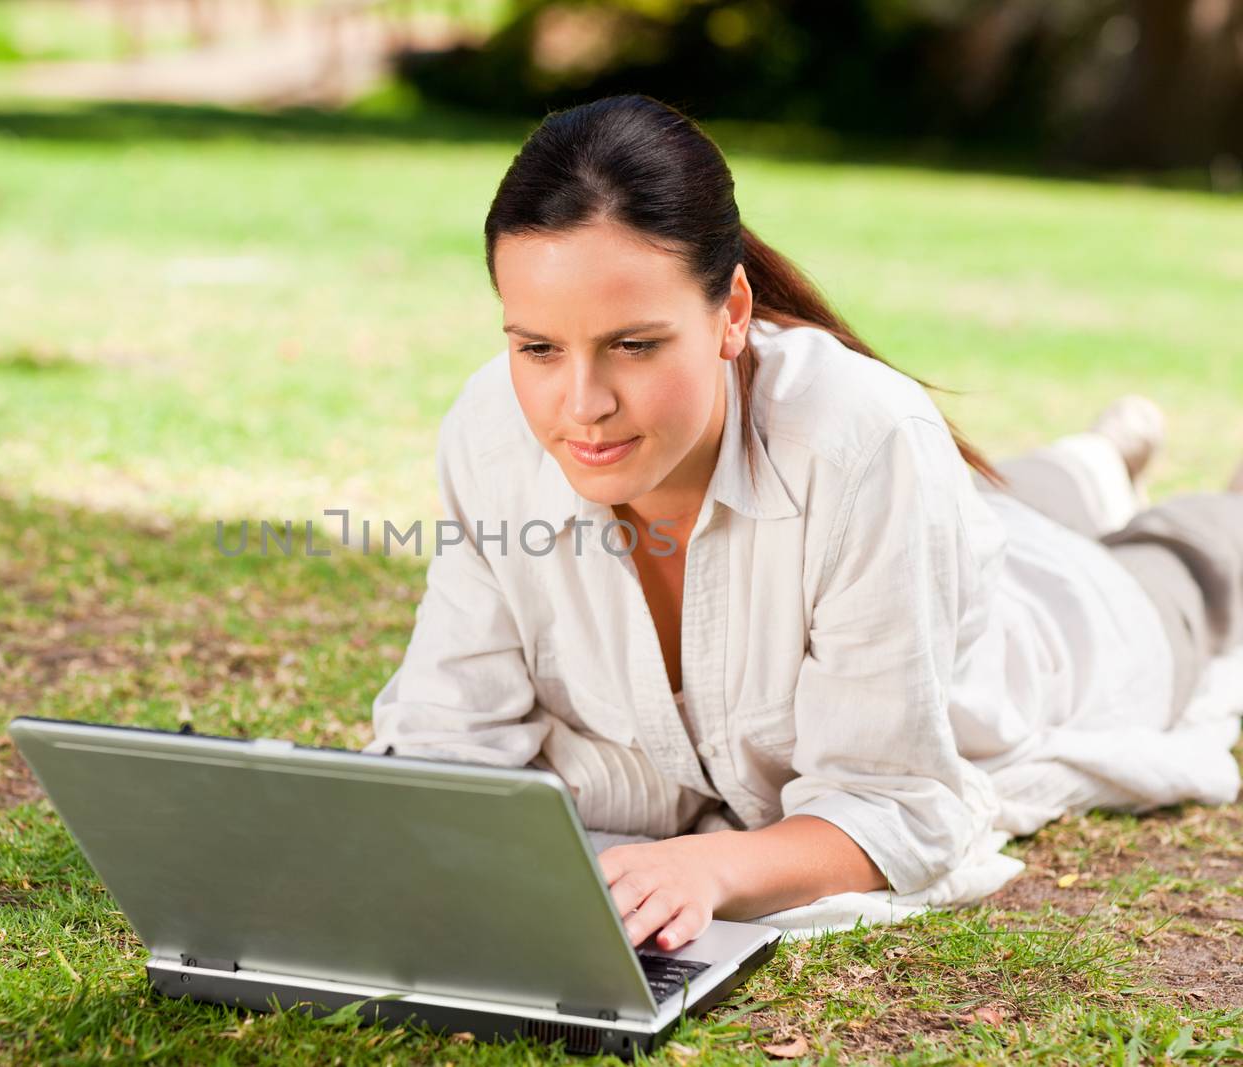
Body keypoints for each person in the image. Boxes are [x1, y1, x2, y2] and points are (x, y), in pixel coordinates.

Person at [363, 94, 1243, 951]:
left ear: (732, 314)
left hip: (1061, 631)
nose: (582, 404)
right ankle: (1096, 459)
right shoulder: (490, 433)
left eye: (634, 345)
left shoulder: (867, 438)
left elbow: (895, 802)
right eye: (538, 348)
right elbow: (447, 737)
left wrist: (710, 867)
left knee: (1184, 558)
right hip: (935, 528)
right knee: (1007, 496)